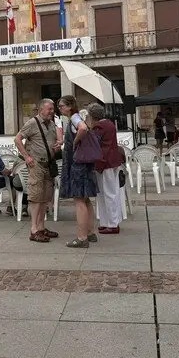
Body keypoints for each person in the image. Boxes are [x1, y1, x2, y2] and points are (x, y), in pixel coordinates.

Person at [16, 98, 60, 243]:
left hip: (49, 164)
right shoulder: (32, 123)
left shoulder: (52, 124)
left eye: (53, 109)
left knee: (45, 197)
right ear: (41, 110)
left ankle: (41, 227)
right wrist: (26, 156)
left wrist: (57, 146)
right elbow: (18, 139)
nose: (52, 112)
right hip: (37, 165)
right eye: (49, 109)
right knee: (36, 197)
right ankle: (34, 229)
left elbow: (52, 141)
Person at [58, 96, 97, 248]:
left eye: (61, 106)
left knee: (79, 200)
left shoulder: (75, 118)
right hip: (83, 164)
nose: (59, 108)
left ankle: (82, 237)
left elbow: (82, 128)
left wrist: (74, 142)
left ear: (70, 106)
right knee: (85, 199)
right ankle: (90, 231)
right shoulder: (77, 117)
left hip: (77, 165)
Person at [90, 102, 123, 235]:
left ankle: (112, 223)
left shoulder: (98, 126)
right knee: (105, 193)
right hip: (111, 160)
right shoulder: (109, 123)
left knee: (107, 193)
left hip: (104, 162)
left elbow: (94, 144)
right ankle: (106, 221)